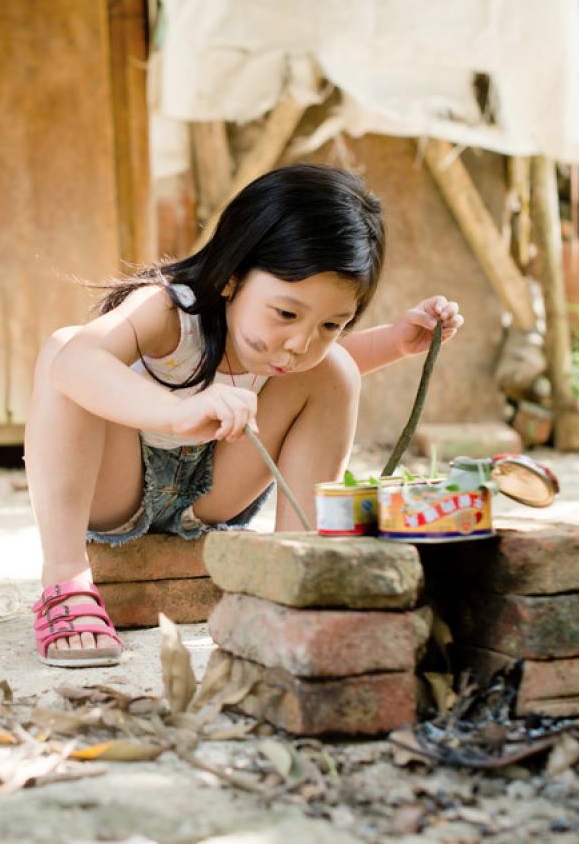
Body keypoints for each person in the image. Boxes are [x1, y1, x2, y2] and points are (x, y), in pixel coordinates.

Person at [25, 164, 463, 667]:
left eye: (332, 323)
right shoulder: (169, 311)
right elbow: (77, 362)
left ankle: (302, 564)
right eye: (286, 314)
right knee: (65, 350)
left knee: (335, 368)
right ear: (233, 275)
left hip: (213, 495)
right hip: (114, 489)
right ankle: (64, 581)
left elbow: (310, 367)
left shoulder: (294, 346)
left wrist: (395, 342)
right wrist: (176, 412)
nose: (299, 342)